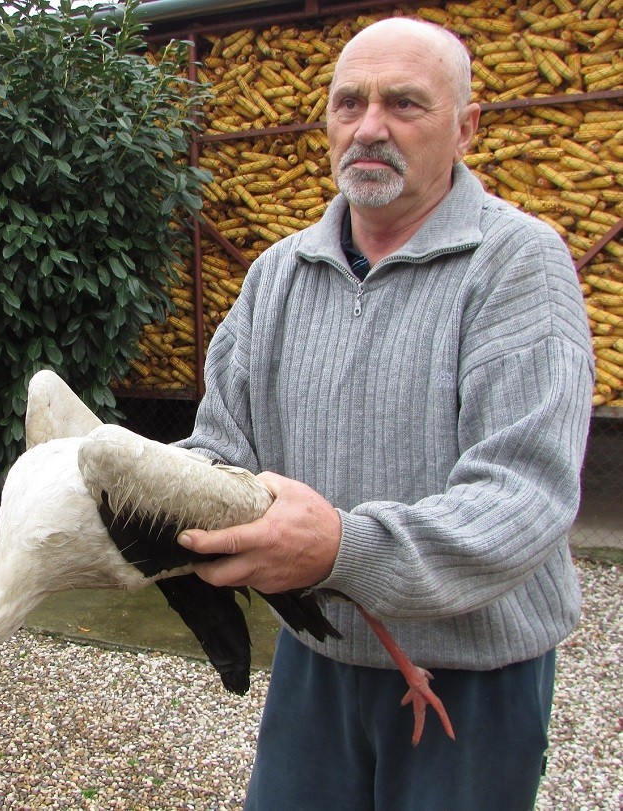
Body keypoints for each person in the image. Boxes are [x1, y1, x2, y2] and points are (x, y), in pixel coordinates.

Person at [175, 17, 594, 811]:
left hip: (473, 672)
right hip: (319, 654)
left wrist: (343, 546)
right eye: (350, 103)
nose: (369, 127)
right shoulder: (278, 275)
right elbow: (219, 450)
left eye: (404, 104)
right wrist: (138, 497)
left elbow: (523, 496)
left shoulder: (517, 264)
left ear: (465, 128)